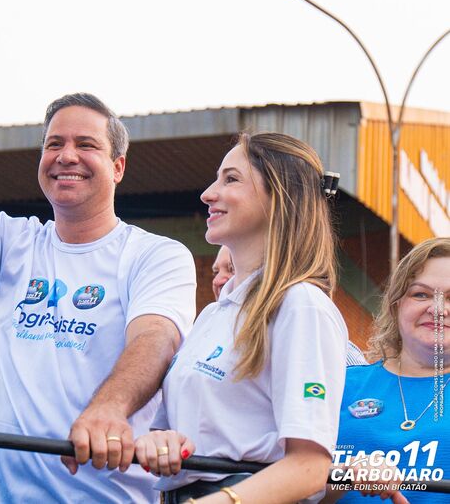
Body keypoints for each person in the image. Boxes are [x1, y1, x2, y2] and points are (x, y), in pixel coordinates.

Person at [0, 28, 197, 503]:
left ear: (119, 166)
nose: (66, 156)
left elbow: (156, 338)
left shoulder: (155, 254)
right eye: (53, 144)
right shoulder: (12, 242)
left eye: (86, 145)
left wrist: (107, 410)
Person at [135, 133, 348, 503]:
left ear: (280, 198)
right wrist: (161, 442)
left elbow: (310, 467)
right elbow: (171, 432)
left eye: (230, 179)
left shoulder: (301, 305)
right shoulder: (212, 315)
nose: (207, 193)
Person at [323, 237, 450, 504]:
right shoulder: (339, 386)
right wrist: (346, 475)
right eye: (421, 294)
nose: (437, 309)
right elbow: (291, 487)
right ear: (395, 306)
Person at [213, 245, 367, 367]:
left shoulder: (335, 352)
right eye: (215, 272)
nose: (218, 280)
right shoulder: (213, 340)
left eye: (232, 269)